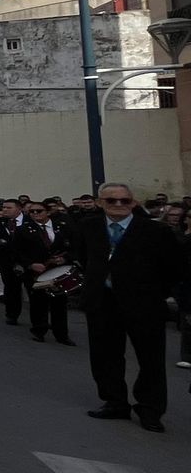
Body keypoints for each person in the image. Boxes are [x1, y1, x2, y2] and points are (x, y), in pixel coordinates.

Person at [72, 183, 182, 433]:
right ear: (101, 203)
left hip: (144, 304)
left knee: (150, 358)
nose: (119, 205)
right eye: (112, 201)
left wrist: (154, 293)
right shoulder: (88, 227)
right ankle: (114, 401)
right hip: (102, 301)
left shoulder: (155, 231)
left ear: (133, 203)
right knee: (105, 355)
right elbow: (83, 257)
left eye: (125, 200)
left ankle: (150, 408)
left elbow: (173, 268)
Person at [13, 201, 74, 345]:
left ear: (47, 212)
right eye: (32, 212)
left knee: (59, 303)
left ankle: (62, 335)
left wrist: (65, 258)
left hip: (57, 270)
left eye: (39, 211)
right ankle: (39, 331)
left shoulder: (63, 228)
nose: (35, 214)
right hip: (36, 272)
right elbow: (16, 251)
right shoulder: (23, 230)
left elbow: (75, 247)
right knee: (38, 303)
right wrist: (30, 264)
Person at [0, 199, 25, 325]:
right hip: (6, 261)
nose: (4, 210)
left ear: (18, 209)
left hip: (26, 260)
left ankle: (39, 318)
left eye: (8, 208)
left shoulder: (29, 221)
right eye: (3, 207)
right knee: (11, 289)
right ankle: (12, 315)